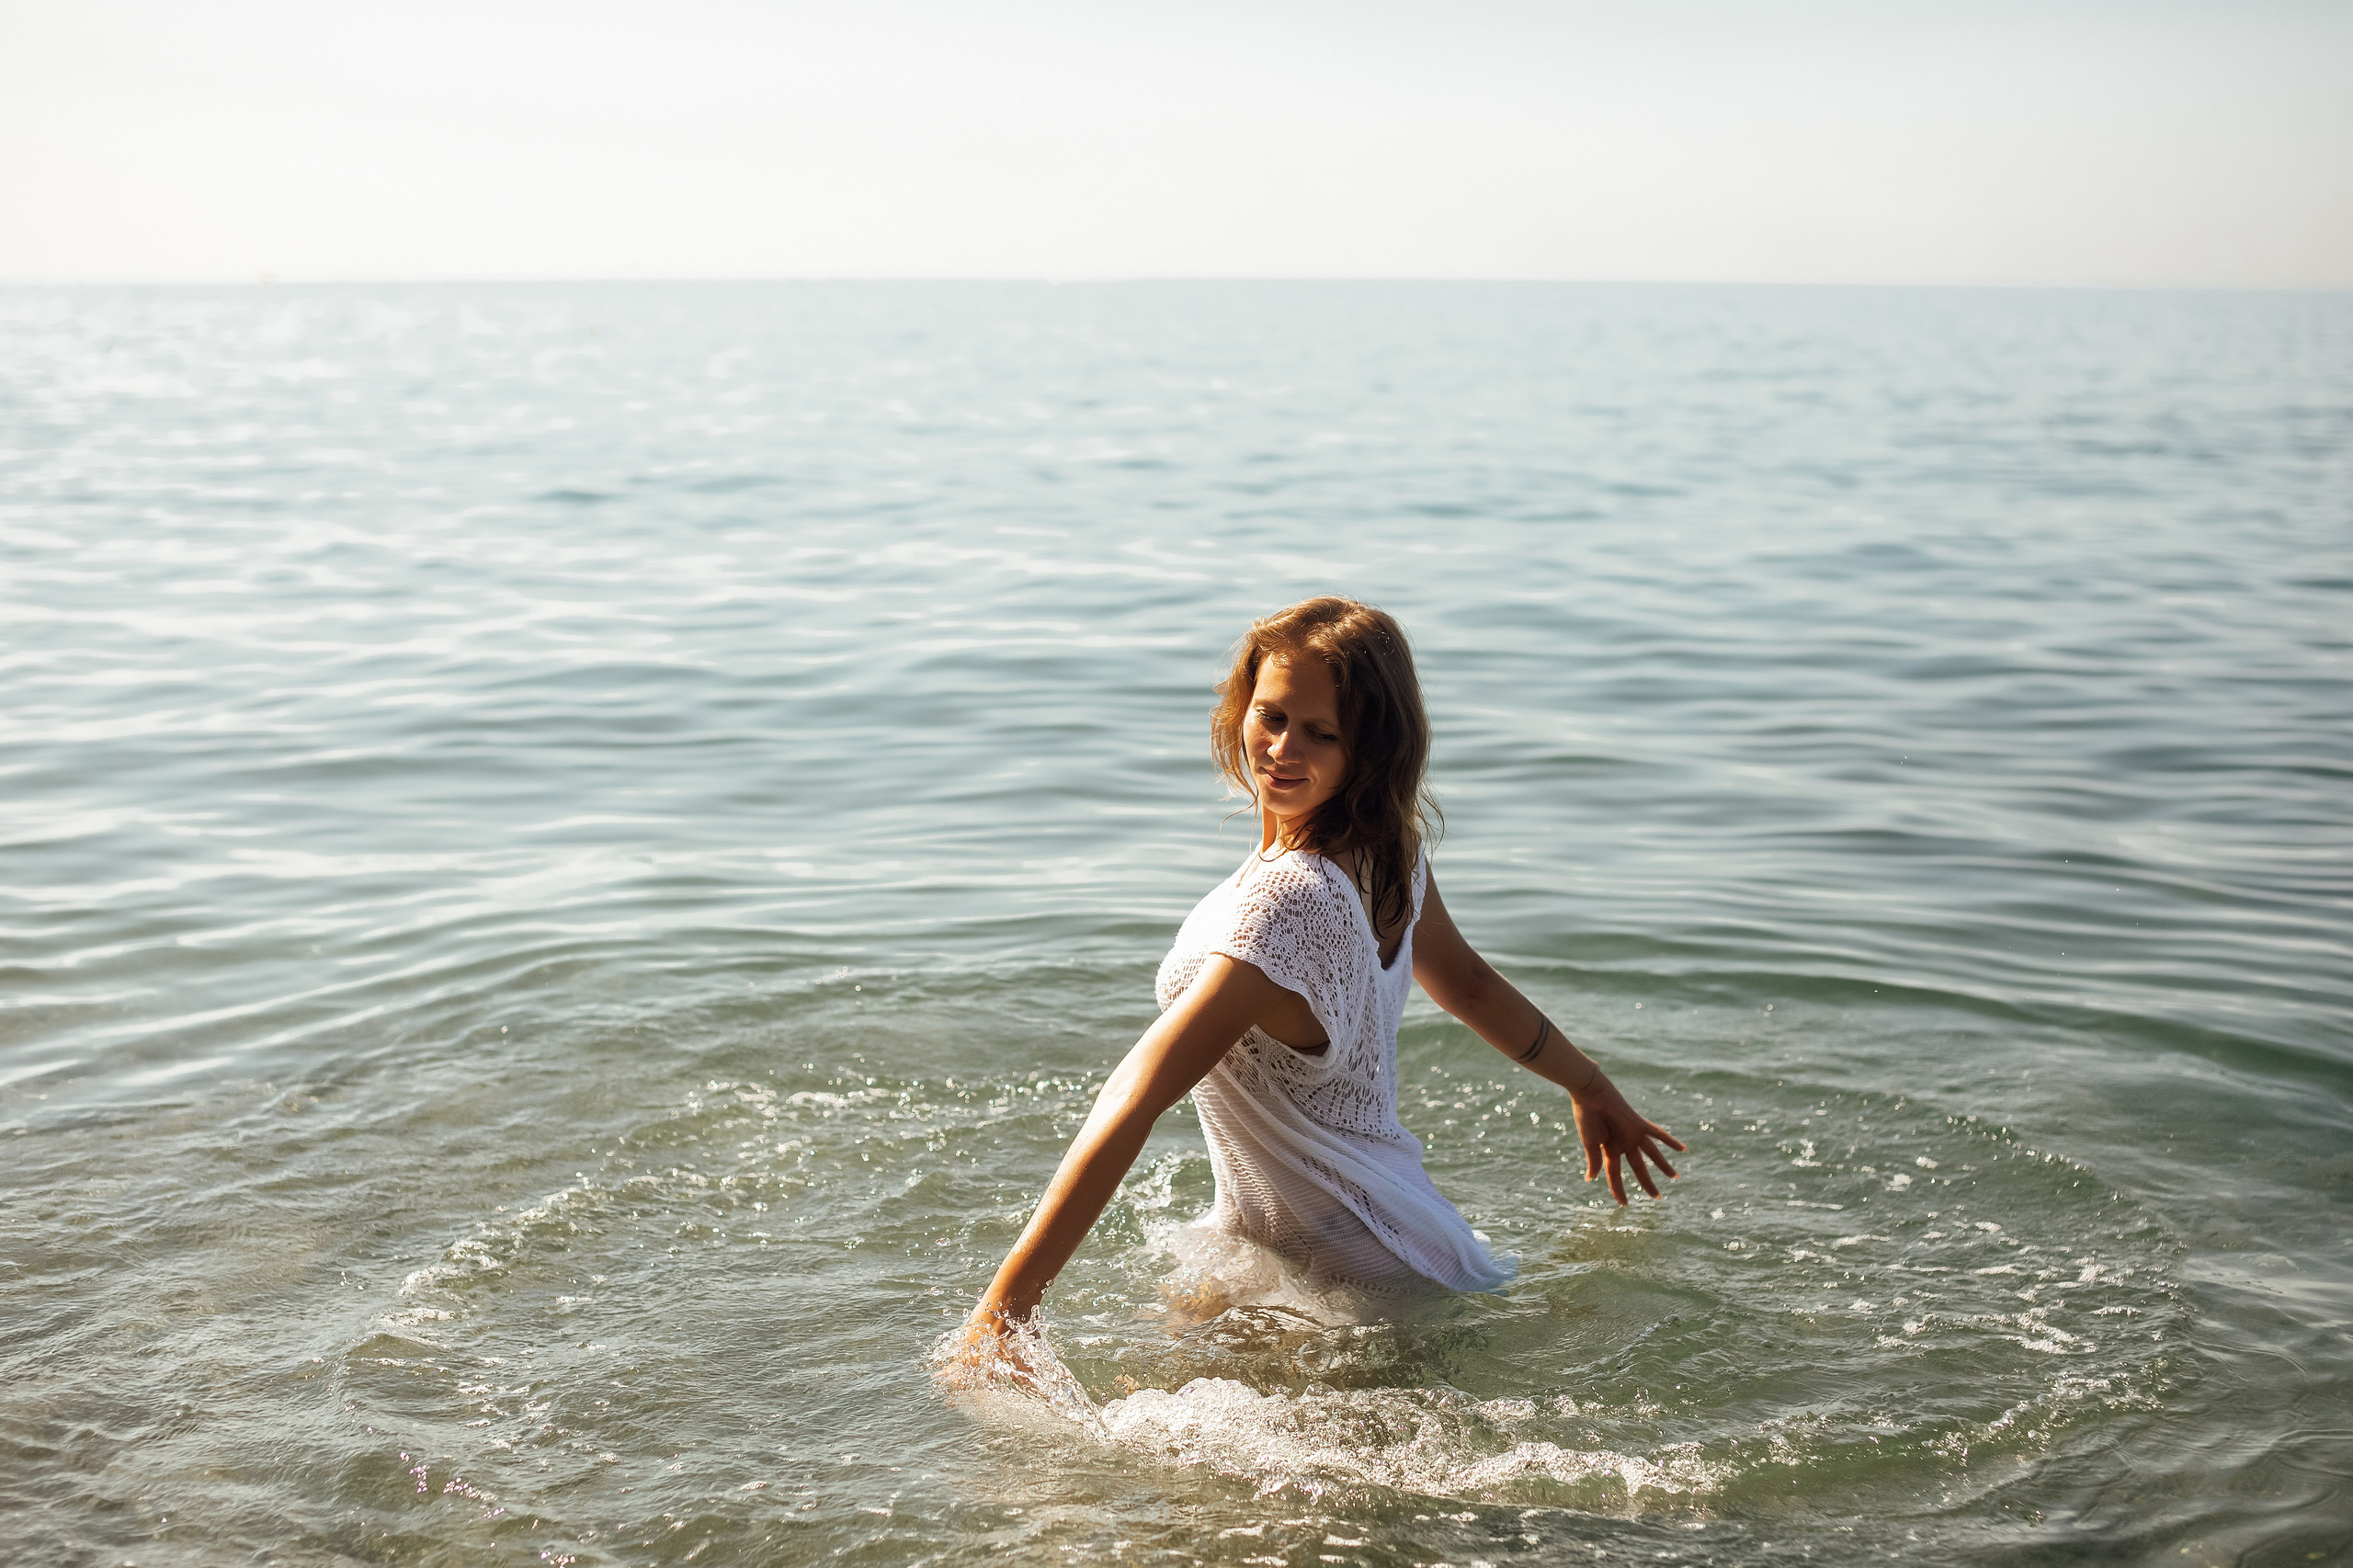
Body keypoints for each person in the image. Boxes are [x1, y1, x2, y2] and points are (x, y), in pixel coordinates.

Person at [957, 597, 1684, 1362]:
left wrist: (1005, 1307)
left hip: (1352, 1272)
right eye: (1270, 715)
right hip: (1349, 1239)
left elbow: (1138, 1090)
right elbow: (1467, 985)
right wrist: (1590, 1085)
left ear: (1369, 750)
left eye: (1320, 732)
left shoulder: (1287, 902)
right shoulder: (1386, 851)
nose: (1280, 748)